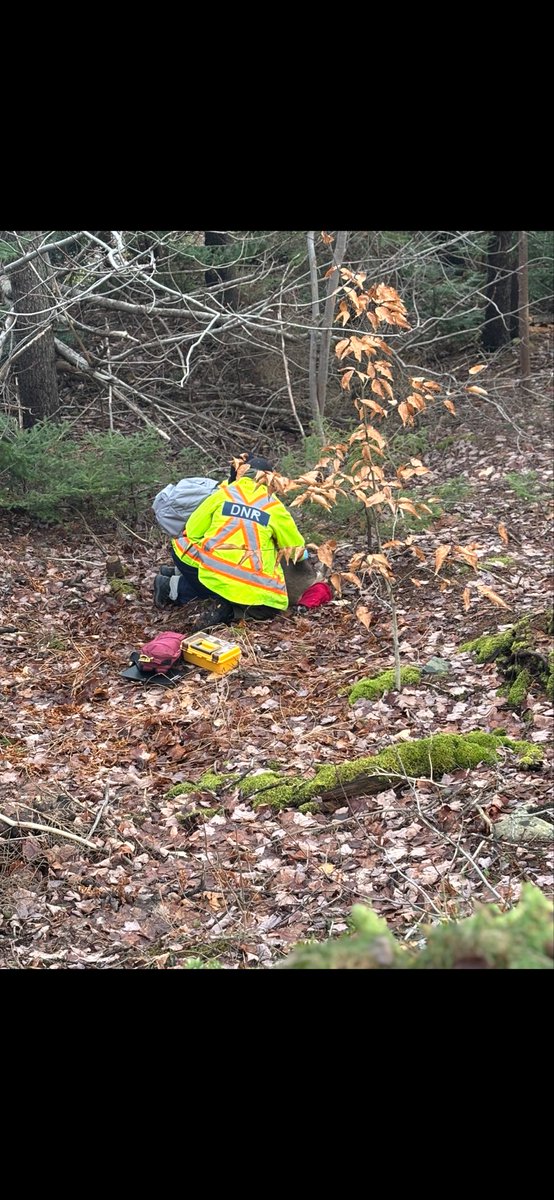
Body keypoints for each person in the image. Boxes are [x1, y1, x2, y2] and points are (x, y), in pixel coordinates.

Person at [153, 454, 306, 627]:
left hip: (198, 565)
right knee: (267, 608)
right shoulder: (275, 507)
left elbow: (192, 532)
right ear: (271, 480)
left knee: (214, 582)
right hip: (248, 581)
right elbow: (295, 552)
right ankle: (176, 587)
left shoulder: (223, 494)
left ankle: (173, 579)